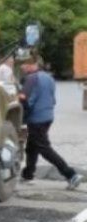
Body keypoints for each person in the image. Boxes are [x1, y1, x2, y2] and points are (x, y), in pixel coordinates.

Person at [19, 59, 82, 189]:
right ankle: (27, 174)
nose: (22, 69)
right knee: (32, 146)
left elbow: (24, 99)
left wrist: (22, 119)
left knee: (44, 149)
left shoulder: (31, 79)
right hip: (48, 117)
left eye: (24, 65)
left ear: (33, 65)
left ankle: (71, 175)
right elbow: (53, 100)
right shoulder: (49, 78)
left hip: (36, 119)